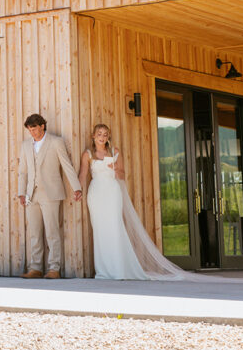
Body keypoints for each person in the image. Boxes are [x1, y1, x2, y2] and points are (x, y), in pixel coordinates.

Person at [78, 123, 225, 281]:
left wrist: (115, 169)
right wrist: (77, 189)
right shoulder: (88, 154)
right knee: (100, 231)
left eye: (105, 134)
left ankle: (118, 269)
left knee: (115, 228)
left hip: (113, 193)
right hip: (96, 194)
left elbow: (122, 174)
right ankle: (104, 271)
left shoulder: (115, 151)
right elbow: (82, 174)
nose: (102, 137)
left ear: (108, 137)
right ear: (93, 136)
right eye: (99, 134)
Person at [16, 113, 82, 279]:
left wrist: (76, 187)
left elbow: (67, 166)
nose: (33, 133)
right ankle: (35, 268)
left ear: (42, 126)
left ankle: (54, 269)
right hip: (31, 194)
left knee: (52, 232)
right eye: (30, 130)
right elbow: (22, 171)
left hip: (51, 193)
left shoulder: (55, 142)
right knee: (34, 232)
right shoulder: (25, 145)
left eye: (35, 128)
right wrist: (21, 193)